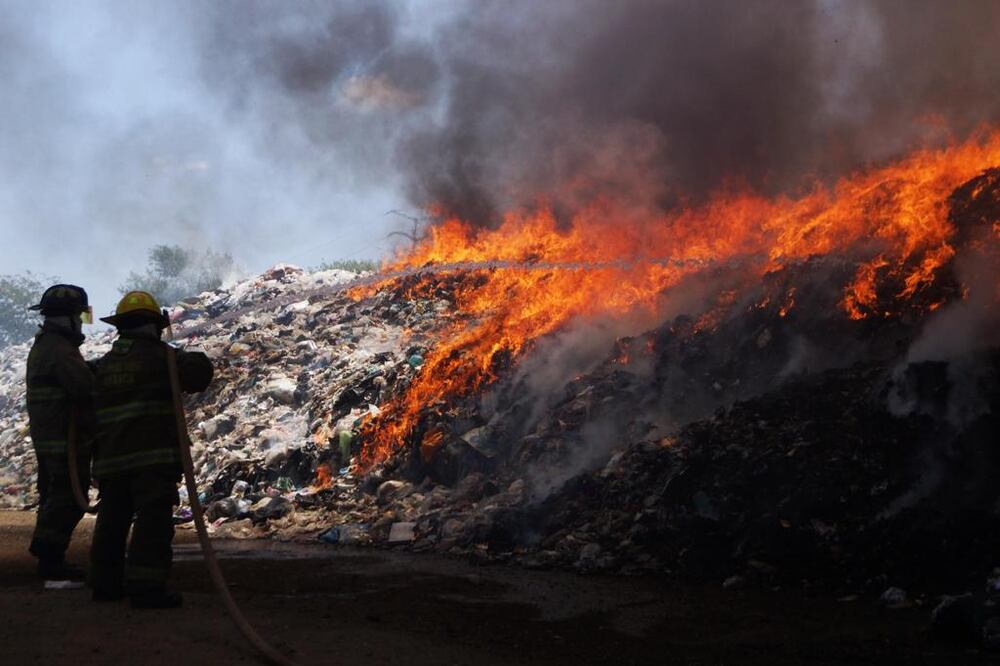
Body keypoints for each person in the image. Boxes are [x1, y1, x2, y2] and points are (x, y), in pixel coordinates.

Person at [89, 290, 212, 608]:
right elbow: (199, 375)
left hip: (110, 459)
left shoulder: (101, 366)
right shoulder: (163, 359)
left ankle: (105, 584)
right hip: (151, 458)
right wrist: (189, 355)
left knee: (112, 519)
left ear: (121, 326)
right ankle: (146, 588)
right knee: (152, 520)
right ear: (156, 325)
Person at [25, 284, 96, 581]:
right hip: (61, 437)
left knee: (54, 493)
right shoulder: (59, 350)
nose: (81, 323)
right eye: (80, 316)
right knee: (67, 495)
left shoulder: (48, 345)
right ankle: (49, 555)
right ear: (69, 317)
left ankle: (49, 555)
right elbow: (85, 389)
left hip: (50, 434)